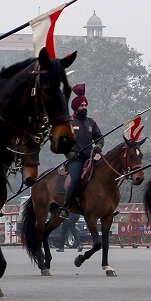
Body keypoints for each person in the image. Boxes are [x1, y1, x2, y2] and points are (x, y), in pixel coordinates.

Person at [59, 84, 103, 219]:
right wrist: (68, 153)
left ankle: (105, 206)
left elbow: (99, 137)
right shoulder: (69, 122)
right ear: (75, 107)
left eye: (85, 105)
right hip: (75, 159)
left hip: (89, 158)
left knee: (102, 175)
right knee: (76, 178)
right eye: (81, 105)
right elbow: (61, 141)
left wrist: (98, 146)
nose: (84, 107)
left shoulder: (91, 123)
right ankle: (65, 208)